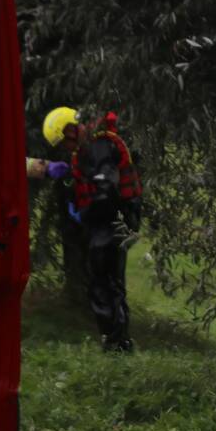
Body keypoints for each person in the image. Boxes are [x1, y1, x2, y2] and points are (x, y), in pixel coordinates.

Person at [43, 106, 143, 352]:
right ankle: (114, 339)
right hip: (106, 219)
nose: (66, 149)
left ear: (71, 130)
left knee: (106, 281)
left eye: (64, 142)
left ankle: (117, 341)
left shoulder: (100, 146)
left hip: (113, 219)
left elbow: (106, 189)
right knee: (104, 280)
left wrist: (86, 212)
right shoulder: (89, 148)